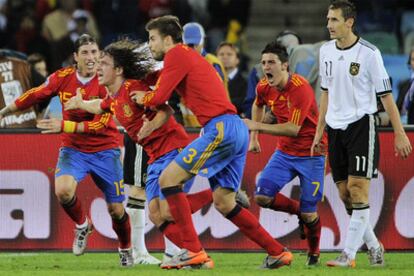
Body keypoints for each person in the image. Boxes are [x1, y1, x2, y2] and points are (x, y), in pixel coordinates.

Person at [131, 15, 293, 270]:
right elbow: (161, 80)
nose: (150, 45)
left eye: (152, 39)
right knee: (224, 202)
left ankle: (194, 250)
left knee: (168, 180)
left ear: (167, 39)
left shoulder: (176, 54)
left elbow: (159, 96)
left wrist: (143, 97)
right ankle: (277, 252)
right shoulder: (188, 56)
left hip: (219, 129)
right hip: (235, 127)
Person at [62, 38, 226, 267]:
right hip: (156, 156)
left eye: (104, 63)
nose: (98, 68)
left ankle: (219, 195)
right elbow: (99, 105)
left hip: (172, 148)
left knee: (167, 210)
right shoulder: (114, 97)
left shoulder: (132, 88)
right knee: (156, 214)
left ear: (118, 70)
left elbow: (166, 110)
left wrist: (149, 127)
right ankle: (197, 255)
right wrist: (80, 103)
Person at [0, 34, 133, 267]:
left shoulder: (106, 82)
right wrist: (5, 111)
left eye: (95, 52)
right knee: (62, 190)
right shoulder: (62, 78)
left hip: (106, 150)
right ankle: (83, 225)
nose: (91, 58)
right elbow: (35, 94)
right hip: (74, 149)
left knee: (116, 209)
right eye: (85, 53)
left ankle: (125, 248)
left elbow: (101, 124)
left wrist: (64, 125)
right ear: (75, 57)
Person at [312, 0, 412, 268]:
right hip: (334, 128)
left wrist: (399, 133)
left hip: (361, 125)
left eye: (334, 20)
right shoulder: (325, 52)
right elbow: (325, 93)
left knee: (358, 190)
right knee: (345, 195)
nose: (329, 25)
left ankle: (349, 255)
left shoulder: (370, 54)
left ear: (350, 22)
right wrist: (319, 131)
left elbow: (386, 96)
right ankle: (375, 245)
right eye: (328, 19)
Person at [244, 41, 326, 266]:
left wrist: (256, 126)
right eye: (263, 63)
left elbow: (293, 128)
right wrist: (254, 138)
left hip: (312, 154)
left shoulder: (301, 88)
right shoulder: (263, 86)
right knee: (262, 196)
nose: (266, 67)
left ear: (285, 66)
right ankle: (300, 212)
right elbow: (258, 105)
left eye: (271, 62)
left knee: (311, 215)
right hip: (285, 153)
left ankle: (314, 254)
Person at [181, 21, 228, 127]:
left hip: (211, 124)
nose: (192, 48)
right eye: (189, 44)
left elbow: (216, 97)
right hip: (185, 125)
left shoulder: (213, 63)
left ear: (203, 41)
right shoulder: (179, 63)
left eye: (195, 44)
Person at [0, 49, 47, 128]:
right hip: (30, 123)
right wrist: (38, 109)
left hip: (4, 129)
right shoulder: (22, 63)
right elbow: (46, 89)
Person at [216, 42, 247, 117]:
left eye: (229, 54)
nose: (225, 57)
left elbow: (244, 103)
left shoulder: (246, 82)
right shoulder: (211, 80)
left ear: (237, 60)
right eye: (221, 54)